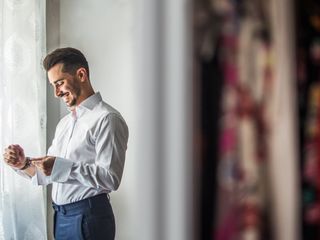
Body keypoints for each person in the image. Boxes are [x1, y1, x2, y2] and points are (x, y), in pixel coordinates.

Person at [3, 47, 129, 240]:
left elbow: (110, 178)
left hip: (89, 218)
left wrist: (61, 167)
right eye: (53, 85)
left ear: (81, 74)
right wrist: (22, 164)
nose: (56, 93)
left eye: (59, 83)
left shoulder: (107, 119)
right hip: (61, 218)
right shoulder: (65, 123)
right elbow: (49, 175)